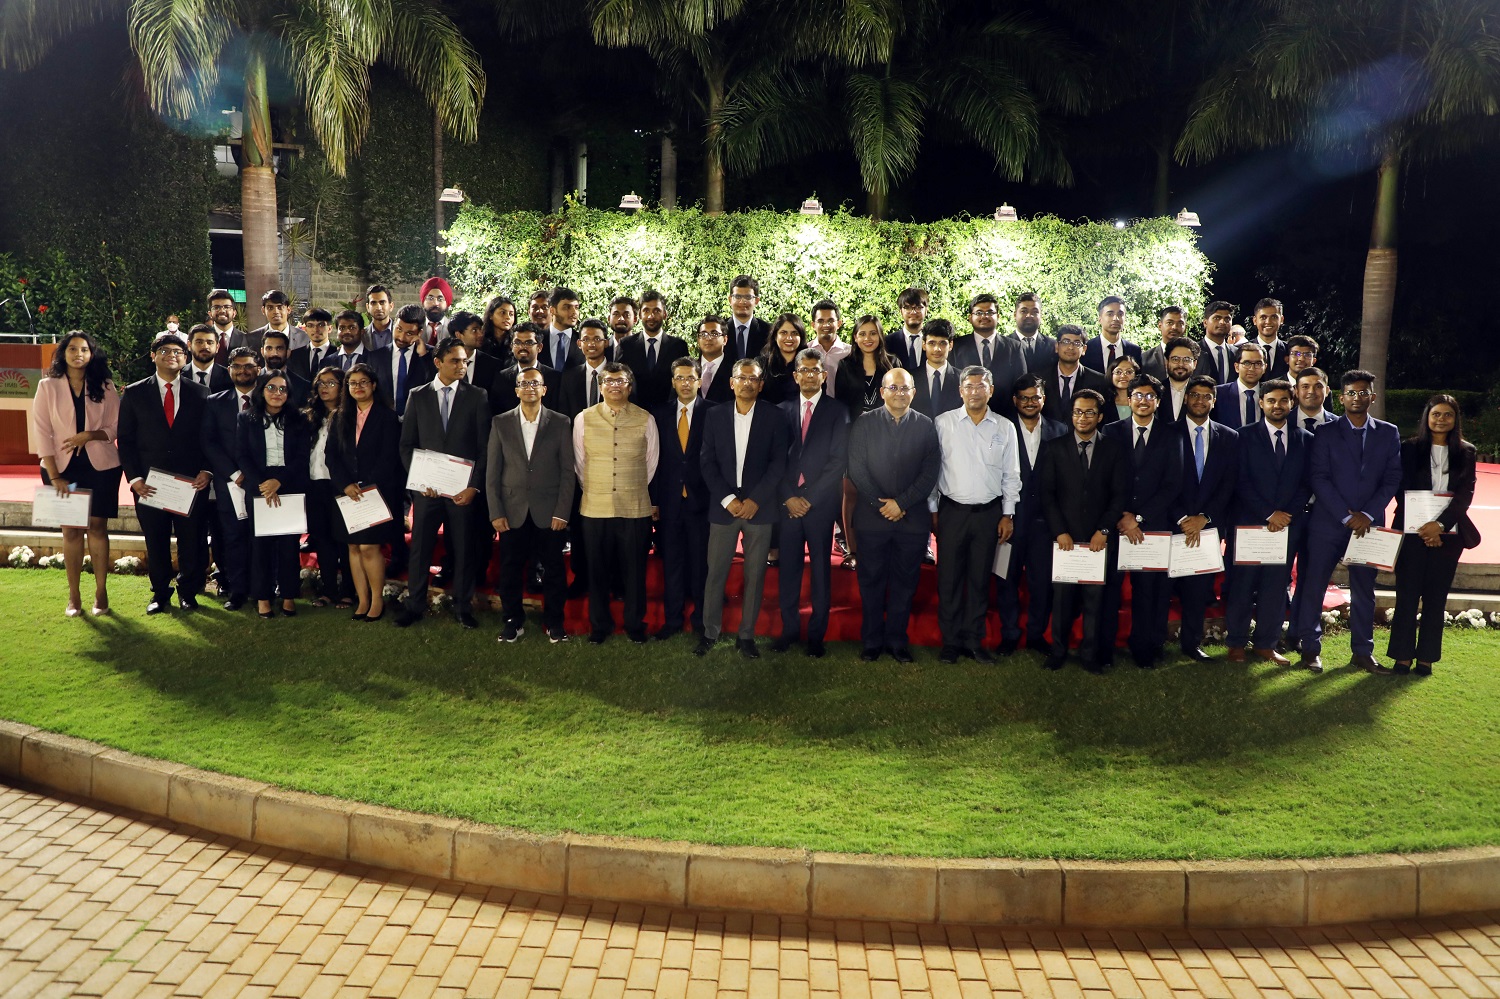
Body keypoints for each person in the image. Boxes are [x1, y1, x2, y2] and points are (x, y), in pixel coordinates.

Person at [1291, 370, 1403, 674]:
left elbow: (1392, 478)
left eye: (1362, 392)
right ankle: (1310, 650)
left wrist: (1366, 514)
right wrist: (1345, 514)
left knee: (1364, 590)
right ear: (1340, 398)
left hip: (1369, 527)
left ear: (1372, 396)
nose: (1357, 397)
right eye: (1351, 393)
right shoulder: (1325, 433)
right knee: (1313, 587)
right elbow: (1319, 478)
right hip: (1328, 523)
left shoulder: (1388, 432)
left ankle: (1363, 652)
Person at [395, 337, 492, 629]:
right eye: (455, 361)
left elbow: (484, 447)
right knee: (420, 549)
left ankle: (463, 608)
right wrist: (419, 482)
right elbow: (407, 445)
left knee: (463, 549)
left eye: (465, 361)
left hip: (462, 492)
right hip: (427, 491)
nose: (462, 365)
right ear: (438, 363)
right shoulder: (418, 395)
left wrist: (473, 487)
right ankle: (414, 606)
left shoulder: (478, 396)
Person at [694, 358, 789, 658]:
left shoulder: (775, 417)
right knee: (715, 572)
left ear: (761, 385)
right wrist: (728, 500)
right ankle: (710, 632)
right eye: (741, 377)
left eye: (753, 379)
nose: (747, 383)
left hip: (759, 509)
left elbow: (778, 464)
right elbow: (706, 462)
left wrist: (755, 500)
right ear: (731, 382)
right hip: (723, 508)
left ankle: (746, 635)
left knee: (755, 574)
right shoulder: (715, 415)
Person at [847, 368, 941, 663]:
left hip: (911, 521)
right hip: (872, 520)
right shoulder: (864, 423)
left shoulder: (926, 426)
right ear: (883, 391)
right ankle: (872, 642)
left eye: (905, 389)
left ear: (914, 392)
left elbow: (930, 472)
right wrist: (882, 505)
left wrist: (901, 503)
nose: (900, 393)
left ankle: (898, 642)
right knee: (871, 581)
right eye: (894, 388)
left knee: (905, 583)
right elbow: (857, 469)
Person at [117, 332, 213, 613]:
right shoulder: (135, 392)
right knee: (155, 540)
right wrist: (134, 479)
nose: (172, 355)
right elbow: (126, 439)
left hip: (190, 483)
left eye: (178, 351)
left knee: (191, 541)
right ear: (153, 356)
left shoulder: (200, 393)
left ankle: (188, 592)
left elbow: (208, 437)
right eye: (165, 350)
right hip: (150, 484)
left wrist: (207, 470)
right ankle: (160, 594)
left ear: (185, 359)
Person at [931, 365, 1020, 664]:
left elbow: (1012, 474)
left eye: (981, 386)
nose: (974, 391)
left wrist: (1008, 514)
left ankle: (974, 641)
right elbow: (934, 472)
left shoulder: (1005, 427)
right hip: (952, 512)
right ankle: (951, 643)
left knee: (980, 580)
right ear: (960, 391)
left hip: (988, 515)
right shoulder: (943, 424)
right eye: (968, 386)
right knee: (949, 580)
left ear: (990, 390)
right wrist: (933, 510)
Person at [1037, 388, 1130, 672]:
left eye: (1089, 412)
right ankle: (1058, 652)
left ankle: (1090, 656)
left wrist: (1104, 530)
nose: (1083, 417)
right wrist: (1059, 532)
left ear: (1100, 416)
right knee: (1062, 602)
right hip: (1065, 540)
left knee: (1094, 603)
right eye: (1078, 411)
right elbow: (1047, 495)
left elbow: (1119, 495)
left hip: (1097, 541)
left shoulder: (1113, 449)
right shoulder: (1054, 447)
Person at [1388, 395, 1481, 675]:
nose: (1441, 419)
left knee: (1436, 597)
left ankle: (1426, 658)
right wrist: (1423, 526)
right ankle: (1402, 657)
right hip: (1411, 531)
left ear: (1455, 420)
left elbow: (1465, 494)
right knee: (1406, 595)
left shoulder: (1466, 451)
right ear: (1426, 417)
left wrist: (1438, 526)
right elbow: (1400, 488)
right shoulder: (1409, 448)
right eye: (1436, 414)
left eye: (1447, 415)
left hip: (1449, 535)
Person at [33, 330, 122, 617]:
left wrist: (90, 435)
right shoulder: (47, 387)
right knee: (71, 531)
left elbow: (115, 427)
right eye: (72, 349)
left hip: (102, 467)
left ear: (91, 354)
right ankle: (73, 597)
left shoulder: (105, 385)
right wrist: (55, 475)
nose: (78, 354)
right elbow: (42, 432)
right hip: (61, 467)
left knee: (98, 528)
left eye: (84, 349)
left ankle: (101, 592)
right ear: (63, 354)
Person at [1100, 373, 1184, 669]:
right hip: (1115, 525)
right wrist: (1121, 515)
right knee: (1110, 590)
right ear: (1128, 398)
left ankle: (1146, 648)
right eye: (1138, 395)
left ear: (1158, 402)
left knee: (1150, 592)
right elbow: (1103, 480)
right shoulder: (1109, 432)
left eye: (1150, 396)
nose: (1143, 400)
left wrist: (1138, 517)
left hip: (1153, 526)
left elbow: (1173, 484)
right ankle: (1104, 650)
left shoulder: (1172, 435)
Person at [487, 367, 576, 644]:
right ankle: (513, 621)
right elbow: (492, 473)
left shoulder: (561, 422)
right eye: (523, 383)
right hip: (512, 510)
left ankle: (554, 622)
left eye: (534, 383)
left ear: (544, 389)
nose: (529, 388)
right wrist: (496, 512)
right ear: (516, 390)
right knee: (510, 569)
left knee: (554, 569)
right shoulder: (500, 422)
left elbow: (567, 472)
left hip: (549, 512)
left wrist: (562, 511)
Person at [1225, 379, 1310, 664]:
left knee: (1276, 587)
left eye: (1283, 400)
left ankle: (1265, 644)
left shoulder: (1305, 439)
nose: (1277, 405)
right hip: (1250, 524)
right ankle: (1236, 643)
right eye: (1271, 400)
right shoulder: (1242, 436)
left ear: (1292, 403)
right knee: (1242, 586)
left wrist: (1286, 514)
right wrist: (1268, 513)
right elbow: (1239, 481)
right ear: (1261, 403)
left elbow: (1307, 484)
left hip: (1286, 526)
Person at [574, 361, 658, 644]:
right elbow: (579, 462)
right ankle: (600, 625)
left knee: (634, 569)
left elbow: (651, 463)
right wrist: (597, 488)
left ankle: (635, 624)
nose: (614, 386)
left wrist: (627, 485)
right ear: (600, 388)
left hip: (634, 505)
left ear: (629, 387)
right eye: (608, 382)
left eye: (620, 381)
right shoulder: (583, 418)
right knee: (596, 569)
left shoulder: (646, 418)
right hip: (594, 506)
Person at [773, 348, 849, 658]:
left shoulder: (837, 410)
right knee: (788, 570)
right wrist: (790, 496)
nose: (808, 375)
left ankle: (817, 635)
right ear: (795, 376)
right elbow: (773, 460)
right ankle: (788, 630)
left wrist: (809, 498)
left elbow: (837, 460)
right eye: (802, 370)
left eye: (814, 370)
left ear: (823, 375)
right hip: (787, 504)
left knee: (820, 570)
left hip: (820, 504)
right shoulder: (781, 410)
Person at [997, 373, 1070, 653]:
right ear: (1015, 400)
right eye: (1024, 398)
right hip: (1010, 520)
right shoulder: (1002, 429)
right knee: (1007, 580)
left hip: (1045, 523)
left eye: (1035, 397)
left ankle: (1037, 635)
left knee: (1042, 584)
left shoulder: (1060, 430)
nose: (1030, 402)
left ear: (1044, 399)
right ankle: (1010, 635)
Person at [327, 364, 403, 622]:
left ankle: (377, 600)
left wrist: (366, 485)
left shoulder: (388, 417)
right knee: (354, 548)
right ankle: (362, 600)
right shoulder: (338, 417)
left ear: (374, 385)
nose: (357, 387)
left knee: (370, 547)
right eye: (352, 383)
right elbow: (332, 456)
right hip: (346, 493)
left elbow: (389, 457)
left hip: (376, 492)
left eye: (363, 382)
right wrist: (345, 484)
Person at [1174, 375, 1241, 662]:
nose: (1200, 401)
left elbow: (1229, 484)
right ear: (1186, 398)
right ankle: (1150, 643)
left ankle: (1191, 644)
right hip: (1171, 524)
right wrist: (1182, 518)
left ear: (1214, 402)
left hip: (1208, 527)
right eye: (1195, 395)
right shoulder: (1167, 432)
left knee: (1198, 590)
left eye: (1206, 396)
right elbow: (1161, 481)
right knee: (1160, 589)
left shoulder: (1229, 437)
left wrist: (1204, 517)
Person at [236, 371, 310, 619]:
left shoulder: (299, 419)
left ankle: (289, 596)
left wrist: (280, 481)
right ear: (261, 390)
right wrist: (262, 484)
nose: (277, 393)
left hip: (289, 483)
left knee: (289, 545)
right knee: (260, 546)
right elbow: (242, 455)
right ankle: (263, 598)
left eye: (282, 389)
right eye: (271, 387)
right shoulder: (246, 418)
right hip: (259, 486)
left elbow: (302, 457)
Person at [650, 357, 712, 640]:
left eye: (691, 378)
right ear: (673, 381)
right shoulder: (659, 414)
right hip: (670, 502)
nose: (685, 383)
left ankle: (701, 619)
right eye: (680, 378)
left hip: (702, 502)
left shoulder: (713, 413)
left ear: (700, 381)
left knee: (701, 564)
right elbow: (652, 462)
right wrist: (654, 501)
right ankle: (673, 619)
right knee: (671, 563)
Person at [834, 315, 899, 572]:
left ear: (880, 335)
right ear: (855, 337)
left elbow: (901, 401)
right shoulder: (845, 365)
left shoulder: (893, 363)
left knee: (885, 492)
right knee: (851, 493)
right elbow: (841, 404)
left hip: (887, 437)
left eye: (873, 333)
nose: (867, 339)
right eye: (862, 334)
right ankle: (853, 550)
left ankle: (884, 547)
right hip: (854, 438)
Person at [200, 348, 261, 611]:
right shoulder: (215, 401)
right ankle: (237, 591)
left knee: (262, 537)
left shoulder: (271, 397)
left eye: (248, 366)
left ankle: (264, 588)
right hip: (230, 484)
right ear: (230, 370)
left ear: (258, 369)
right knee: (233, 538)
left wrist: (256, 474)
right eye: (236, 366)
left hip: (263, 483)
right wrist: (235, 473)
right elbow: (209, 442)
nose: (242, 371)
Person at [305, 366, 355, 609]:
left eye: (331, 383)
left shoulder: (350, 416)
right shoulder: (310, 416)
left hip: (340, 486)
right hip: (314, 485)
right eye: (320, 383)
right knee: (322, 540)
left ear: (342, 386)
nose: (324, 388)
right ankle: (327, 591)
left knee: (343, 540)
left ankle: (347, 591)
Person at [951, 294, 1027, 417]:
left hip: (1005, 416)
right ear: (970, 317)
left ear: (998, 316)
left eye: (990, 312)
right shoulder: (957, 346)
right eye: (979, 313)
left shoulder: (1014, 347)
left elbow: (1021, 385)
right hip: (966, 418)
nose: (984, 316)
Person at [617, 290, 688, 411]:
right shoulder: (626, 345)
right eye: (646, 311)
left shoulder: (678, 346)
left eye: (657, 311)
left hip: (669, 415)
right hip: (634, 415)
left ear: (664, 314)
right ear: (639, 314)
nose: (651, 316)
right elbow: (620, 379)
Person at [368, 305, 434, 420]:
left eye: (409, 333)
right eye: (399, 329)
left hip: (418, 422)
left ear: (419, 333)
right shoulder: (376, 357)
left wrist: (423, 356)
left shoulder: (430, 355)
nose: (401, 337)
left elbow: (434, 386)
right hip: (385, 423)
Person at [1036, 326, 1109, 424]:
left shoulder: (1098, 381)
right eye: (1066, 342)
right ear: (1057, 346)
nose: (1070, 347)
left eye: (1077, 343)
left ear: (1084, 349)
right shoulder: (1040, 378)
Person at [491, 323, 561, 413]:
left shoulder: (554, 378)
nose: (522, 347)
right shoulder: (502, 378)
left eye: (529, 343)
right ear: (512, 346)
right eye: (517, 342)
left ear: (539, 347)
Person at [559, 319, 614, 417]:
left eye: (597, 339)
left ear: (606, 343)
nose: (591, 344)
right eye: (586, 339)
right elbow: (564, 415)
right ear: (579, 344)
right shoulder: (569, 377)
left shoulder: (617, 375)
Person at [911, 318, 962, 419]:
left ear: (950, 345)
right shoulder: (910, 378)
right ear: (924, 345)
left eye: (942, 343)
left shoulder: (962, 379)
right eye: (932, 343)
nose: (937, 349)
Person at [1214, 341, 1268, 429]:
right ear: (1236, 367)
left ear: (1265, 367)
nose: (1252, 369)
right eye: (1247, 363)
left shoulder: (1272, 394)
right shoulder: (1219, 394)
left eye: (1258, 364)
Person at [756, 313, 807, 406]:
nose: (789, 338)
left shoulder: (810, 364)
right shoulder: (761, 364)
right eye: (783, 333)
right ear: (775, 336)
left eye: (794, 333)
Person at [1083, 296, 1142, 373]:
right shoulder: (1086, 349)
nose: (1115, 318)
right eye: (1110, 314)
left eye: (1120, 314)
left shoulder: (1134, 351)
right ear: (1100, 319)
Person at [1139, 306, 1189, 385]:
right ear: (1160, 325)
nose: (1174, 327)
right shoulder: (1144, 359)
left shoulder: (1200, 358)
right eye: (1170, 323)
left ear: (1185, 327)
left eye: (1180, 323)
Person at [725, 275, 769, 362]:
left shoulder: (768, 331)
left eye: (748, 297)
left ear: (756, 301)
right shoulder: (720, 330)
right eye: (737, 297)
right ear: (730, 299)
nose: (742, 301)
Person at [808, 299, 850, 391]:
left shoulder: (850, 352)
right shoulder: (805, 351)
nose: (826, 325)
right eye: (821, 321)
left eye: (831, 321)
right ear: (813, 325)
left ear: (839, 324)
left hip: (844, 404)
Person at [540, 287, 584, 372]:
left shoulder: (583, 341)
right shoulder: (538, 339)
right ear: (552, 310)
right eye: (567, 307)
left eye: (576, 307)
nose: (574, 312)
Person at [1195, 301, 1239, 384]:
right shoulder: (1194, 351)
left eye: (1227, 319)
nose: (1222, 322)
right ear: (1205, 322)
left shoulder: (1237, 353)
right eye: (1217, 318)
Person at [1008, 293, 1054, 371]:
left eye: (1035, 312)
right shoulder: (1004, 346)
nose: (1029, 315)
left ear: (1041, 316)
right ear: (1015, 315)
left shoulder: (1052, 346)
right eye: (1024, 311)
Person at [288, 308, 338, 381]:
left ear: (329, 328)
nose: (316, 329)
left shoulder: (337, 354)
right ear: (305, 329)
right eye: (310, 325)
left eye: (321, 325)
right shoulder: (294, 355)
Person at [885, 287, 929, 369]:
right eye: (907, 307)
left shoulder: (934, 341)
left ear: (926, 310)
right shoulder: (887, 343)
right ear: (900, 311)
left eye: (918, 307)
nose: (913, 312)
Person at [694, 316, 734, 404]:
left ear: (725, 340)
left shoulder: (735, 371)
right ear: (698, 339)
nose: (708, 338)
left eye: (714, 334)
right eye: (703, 334)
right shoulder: (689, 369)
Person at [1249, 298, 1291, 379]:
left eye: (1274, 317)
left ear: (1281, 320)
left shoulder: (1289, 351)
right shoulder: (1242, 351)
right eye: (1263, 317)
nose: (1268, 321)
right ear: (1255, 320)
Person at [1159, 339, 1199, 422]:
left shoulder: (1200, 392)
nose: (1180, 364)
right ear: (1167, 362)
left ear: (1195, 364)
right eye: (1175, 359)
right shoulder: (1156, 390)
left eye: (1187, 360)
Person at [184, 323, 230, 392]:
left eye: (210, 342)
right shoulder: (178, 375)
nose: (205, 347)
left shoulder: (229, 377)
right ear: (189, 345)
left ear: (217, 347)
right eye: (199, 342)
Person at [209, 288, 247, 361]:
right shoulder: (204, 339)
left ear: (234, 313)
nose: (222, 311)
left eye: (227, 307)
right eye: (216, 307)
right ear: (210, 313)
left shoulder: (245, 338)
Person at [478, 295, 517, 361]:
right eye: (503, 313)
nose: (508, 317)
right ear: (491, 315)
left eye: (511, 314)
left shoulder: (516, 341)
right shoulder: (480, 340)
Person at [1105, 355, 1141, 424]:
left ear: (1136, 375)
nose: (1123, 376)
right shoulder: (1104, 402)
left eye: (1129, 372)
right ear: (1111, 375)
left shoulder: (1143, 401)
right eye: (1118, 372)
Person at [419, 276, 454, 347]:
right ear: (423, 302)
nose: (435, 303)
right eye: (430, 298)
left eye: (440, 299)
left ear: (447, 303)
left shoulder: (454, 329)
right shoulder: (415, 327)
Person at [362, 284, 396, 352]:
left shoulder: (401, 333)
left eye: (382, 302)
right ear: (367, 307)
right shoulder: (361, 335)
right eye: (373, 303)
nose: (378, 307)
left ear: (391, 306)